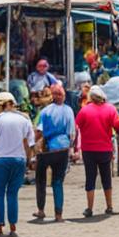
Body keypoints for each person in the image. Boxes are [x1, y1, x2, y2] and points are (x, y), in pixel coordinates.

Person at [0, 92, 34, 236]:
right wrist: (28, 160)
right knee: (12, 194)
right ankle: (13, 226)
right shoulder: (24, 119)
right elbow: (29, 143)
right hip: (18, 160)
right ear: (12, 103)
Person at [75, 85, 119, 216]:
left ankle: (89, 208)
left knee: (90, 178)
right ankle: (109, 207)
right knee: (106, 178)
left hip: (88, 150)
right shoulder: (110, 109)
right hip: (105, 149)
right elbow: (118, 125)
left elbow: (77, 126)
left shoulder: (84, 110)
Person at [34, 84, 76, 221]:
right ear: (63, 96)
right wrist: (71, 148)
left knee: (41, 180)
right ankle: (59, 215)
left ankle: (41, 210)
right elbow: (71, 133)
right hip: (63, 149)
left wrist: (33, 146)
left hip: (48, 149)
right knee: (57, 182)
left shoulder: (45, 111)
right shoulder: (69, 111)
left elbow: (39, 132)